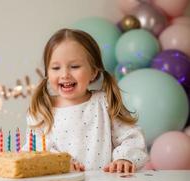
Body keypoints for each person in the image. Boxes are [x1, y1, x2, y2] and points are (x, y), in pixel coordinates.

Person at [23, 28, 148, 173]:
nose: (64, 74)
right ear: (47, 72)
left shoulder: (104, 103)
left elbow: (132, 137)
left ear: (94, 72)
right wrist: (60, 162)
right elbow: (35, 152)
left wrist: (124, 158)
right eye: (56, 68)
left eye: (74, 66)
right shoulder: (42, 111)